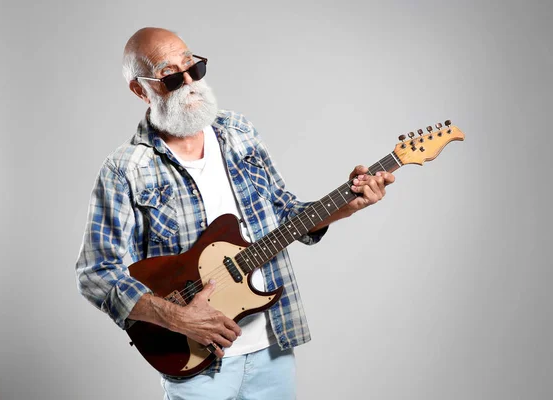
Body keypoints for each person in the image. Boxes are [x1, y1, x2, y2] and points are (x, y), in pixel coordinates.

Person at [75, 27, 395, 400]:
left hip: (273, 347)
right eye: (171, 76)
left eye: (193, 68)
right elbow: (96, 273)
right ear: (139, 89)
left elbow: (284, 211)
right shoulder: (126, 168)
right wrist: (175, 317)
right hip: (196, 364)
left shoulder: (239, 132)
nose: (188, 82)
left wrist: (346, 206)